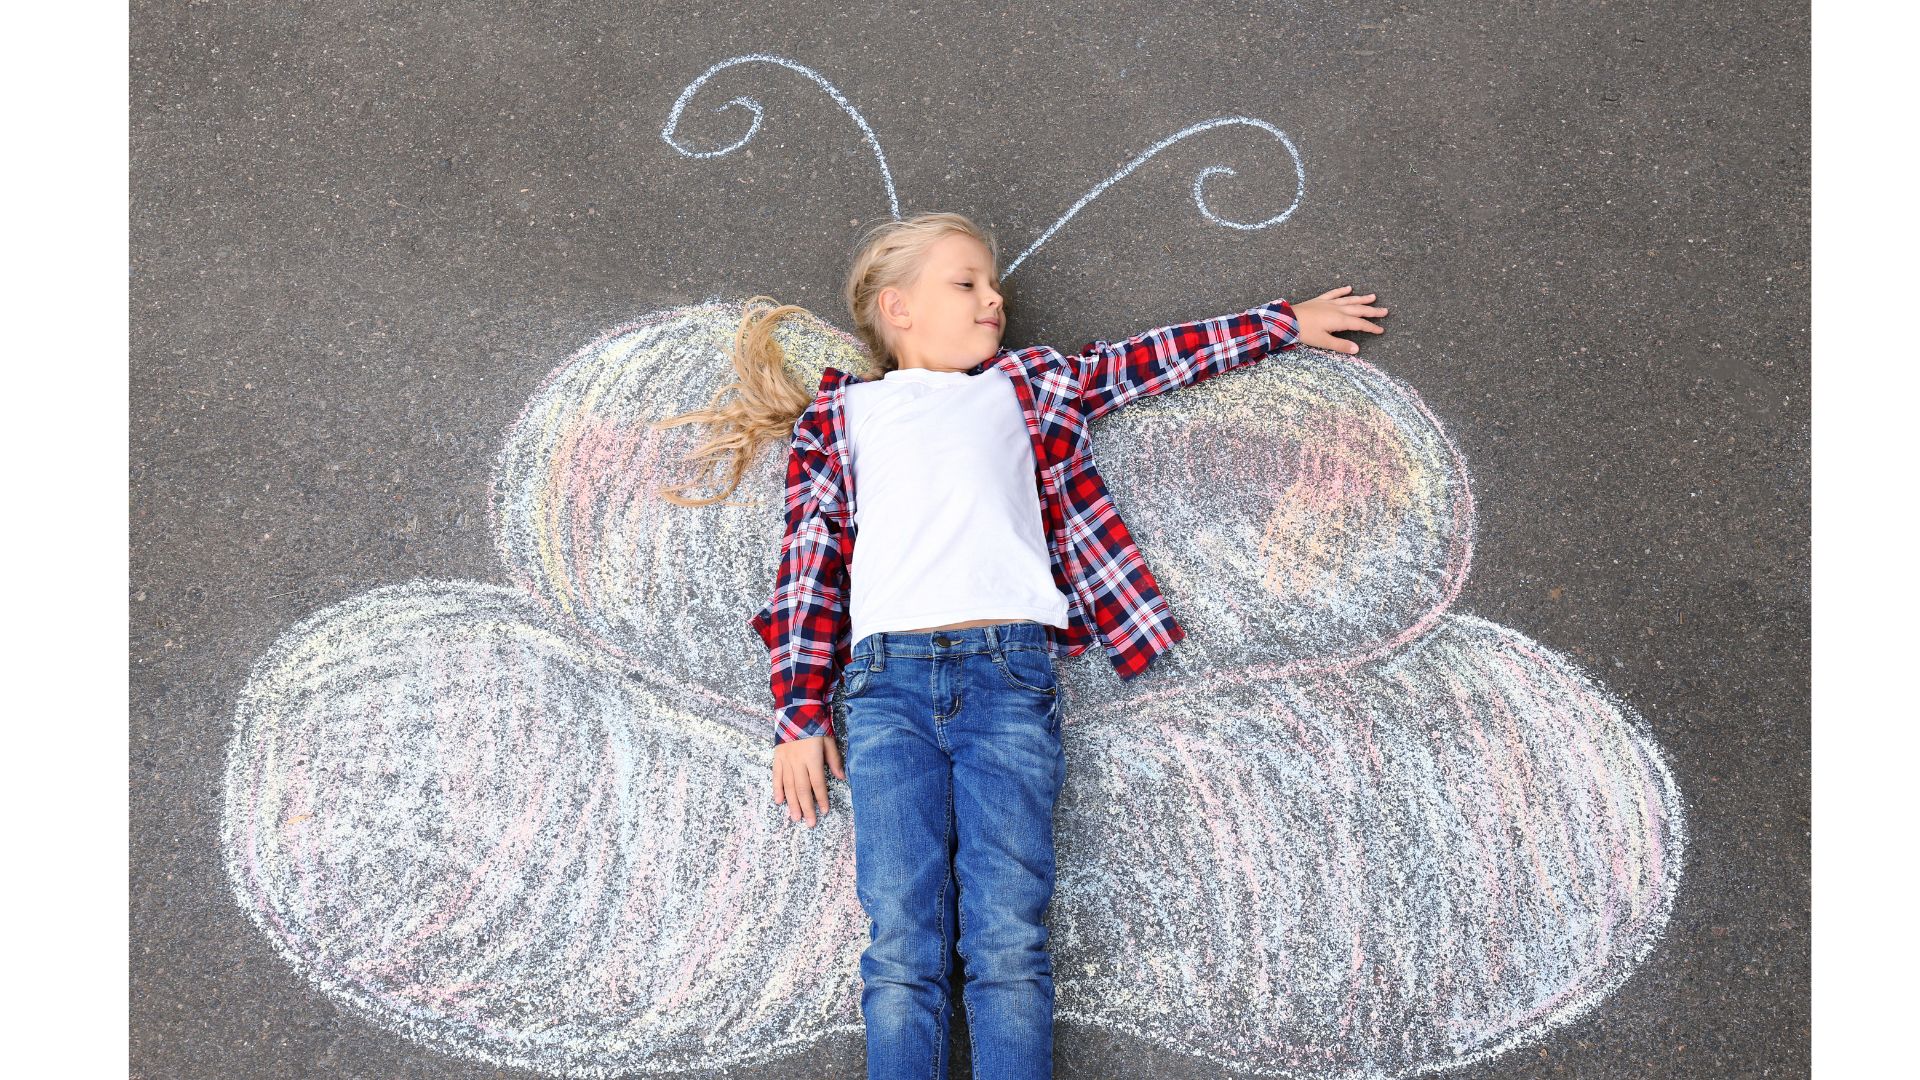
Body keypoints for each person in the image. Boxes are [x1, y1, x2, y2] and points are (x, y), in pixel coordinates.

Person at [650, 212, 1387, 1079]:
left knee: (1005, 941)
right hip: (884, 689)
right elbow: (807, 568)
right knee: (901, 946)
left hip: (1009, 676)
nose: (993, 298)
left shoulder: (1030, 384)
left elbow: (1147, 362)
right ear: (899, 309)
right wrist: (798, 714)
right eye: (965, 283)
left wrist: (1282, 325)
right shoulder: (842, 417)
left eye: (991, 283)